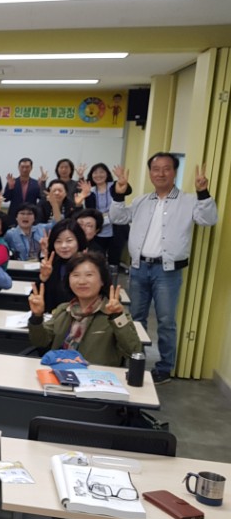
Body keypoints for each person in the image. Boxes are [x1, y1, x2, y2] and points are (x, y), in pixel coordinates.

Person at [109, 154, 218, 383]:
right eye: (156, 169)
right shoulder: (141, 200)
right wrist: (119, 193)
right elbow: (118, 217)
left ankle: (164, 367)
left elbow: (208, 219)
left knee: (166, 321)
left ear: (174, 172)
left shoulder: (188, 201)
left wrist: (203, 192)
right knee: (135, 319)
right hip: (138, 268)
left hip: (167, 271)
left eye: (166, 169)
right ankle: (134, 360)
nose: (160, 173)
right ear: (150, 173)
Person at [28, 252, 142, 367]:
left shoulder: (113, 313)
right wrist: (37, 317)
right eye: (75, 275)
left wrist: (117, 317)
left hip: (96, 379)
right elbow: (40, 341)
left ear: (102, 280)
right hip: (61, 372)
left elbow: (134, 352)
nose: (82, 281)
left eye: (89, 275)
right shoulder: (64, 310)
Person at [82, 162, 130, 266]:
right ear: (91, 175)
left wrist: (122, 179)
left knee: (114, 260)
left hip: (116, 229)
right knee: (97, 260)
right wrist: (87, 195)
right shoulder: (91, 190)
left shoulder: (113, 185)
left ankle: (113, 280)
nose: (98, 175)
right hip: (99, 230)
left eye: (101, 172)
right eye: (95, 173)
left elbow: (127, 190)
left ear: (107, 174)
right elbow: (90, 210)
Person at [37, 219, 87, 313]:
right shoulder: (52, 264)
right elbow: (36, 297)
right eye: (58, 241)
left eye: (69, 241)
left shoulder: (90, 264)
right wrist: (43, 278)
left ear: (79, 241)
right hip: (54, 320)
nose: (63, 246)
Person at [2, 158, 42, 222]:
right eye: (22, 167)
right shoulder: (12, 181)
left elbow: (42, 198)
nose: (24, 169)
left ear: (31, 168)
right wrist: (10, 188)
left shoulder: (36, 183)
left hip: (31, 215)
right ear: (18, 167)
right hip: (14, 215)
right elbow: (5, 199)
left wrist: (42, 187)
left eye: (27, 167)